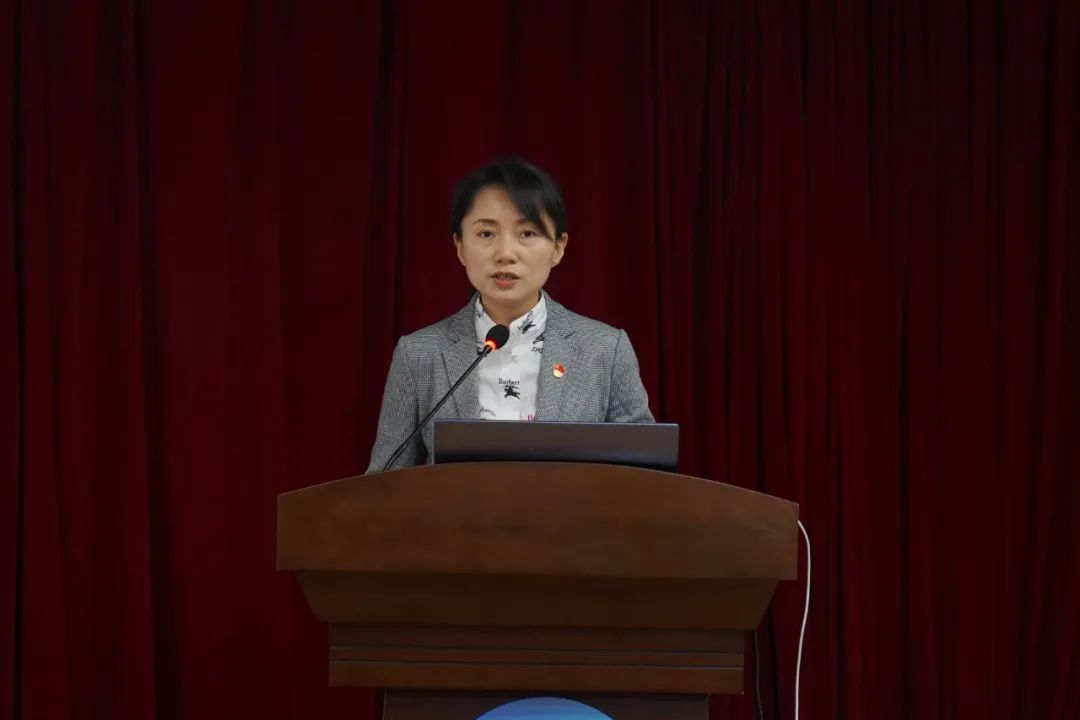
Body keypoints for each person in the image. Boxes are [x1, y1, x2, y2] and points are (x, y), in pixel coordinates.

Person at [366, 157, 653, 472]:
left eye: (527, 234)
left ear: (558, 247)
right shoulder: (419, 354)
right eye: (486, 234)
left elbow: (644, 478)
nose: (505, 254)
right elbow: (385, 483)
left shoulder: (606, 350)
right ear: (460, 246)